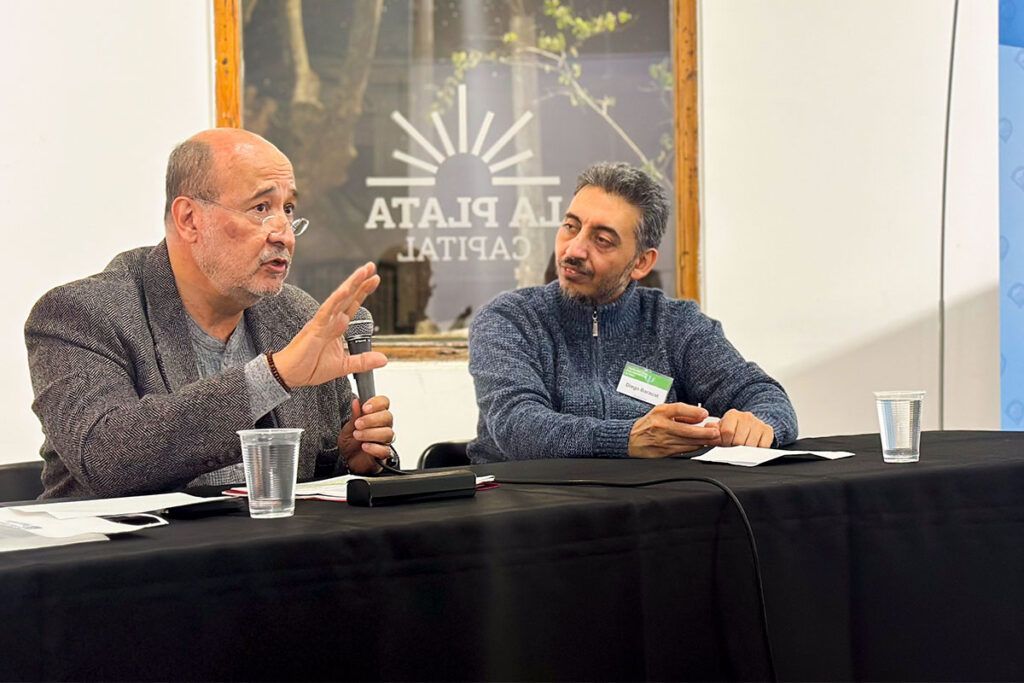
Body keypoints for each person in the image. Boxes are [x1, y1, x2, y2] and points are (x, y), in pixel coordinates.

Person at [25, 128, 395, 498]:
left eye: (289, 209)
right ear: (189, 219)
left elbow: (309, 480)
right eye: (261, 208)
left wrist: (350, 459)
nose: (285, 234)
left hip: (267, 551)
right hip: (129, 553)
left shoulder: (296, 316)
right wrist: (273, 376)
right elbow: (107, 460)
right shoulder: (82, 314)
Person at [467, 162, 797, 463]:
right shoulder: (508, 319)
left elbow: (765, 397)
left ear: (641, 262)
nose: (574, 250)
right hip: (528, 511)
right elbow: (518, 427)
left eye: (602, 240)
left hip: (647, 512)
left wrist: (758, 424)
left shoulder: (676, 325)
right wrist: (626, 439)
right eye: (571, 226)